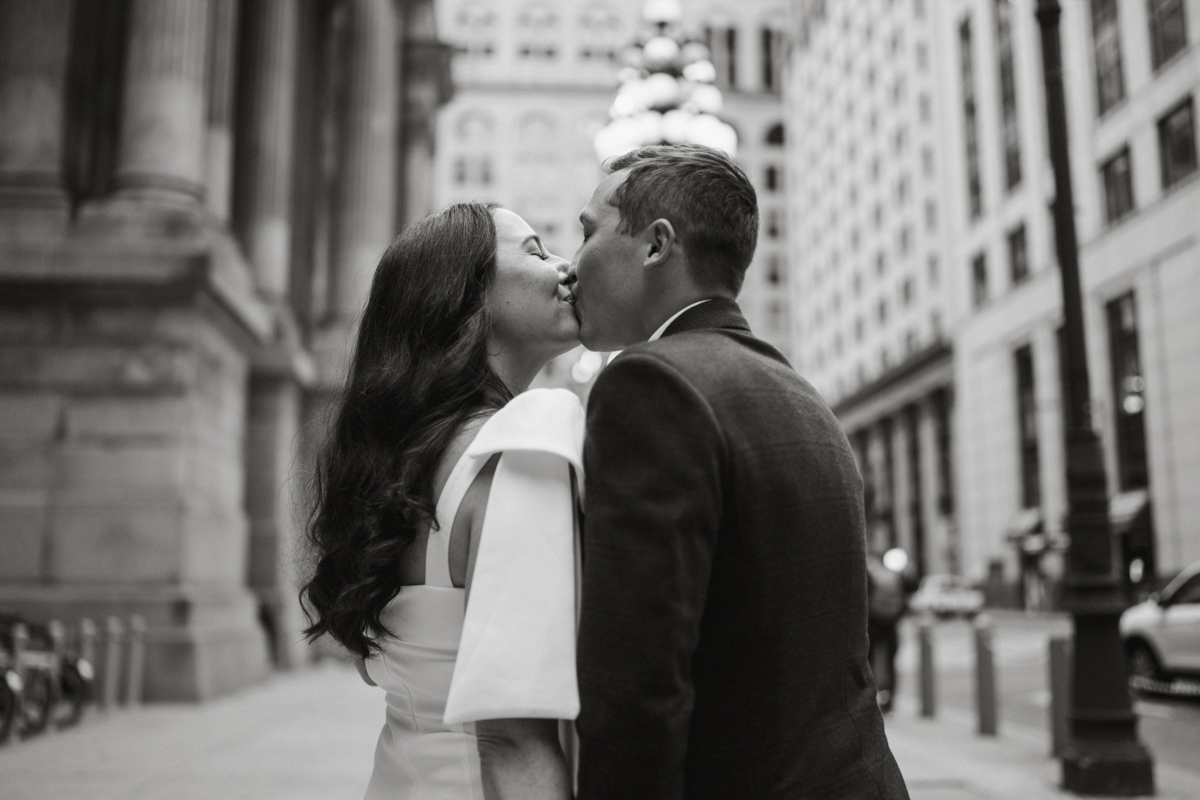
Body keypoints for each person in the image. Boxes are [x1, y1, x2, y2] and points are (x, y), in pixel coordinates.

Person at [568, 144, 910, 799]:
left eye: (588, 230)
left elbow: (638, 688)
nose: (572, 260)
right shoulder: (802, 397)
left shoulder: (651, 386)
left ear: (655, 245)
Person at [300, 202, 582, 800]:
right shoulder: (523, 437)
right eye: (535, 251)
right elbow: (513, 739)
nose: (566, 267)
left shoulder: (397, 462)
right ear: (469, 295)